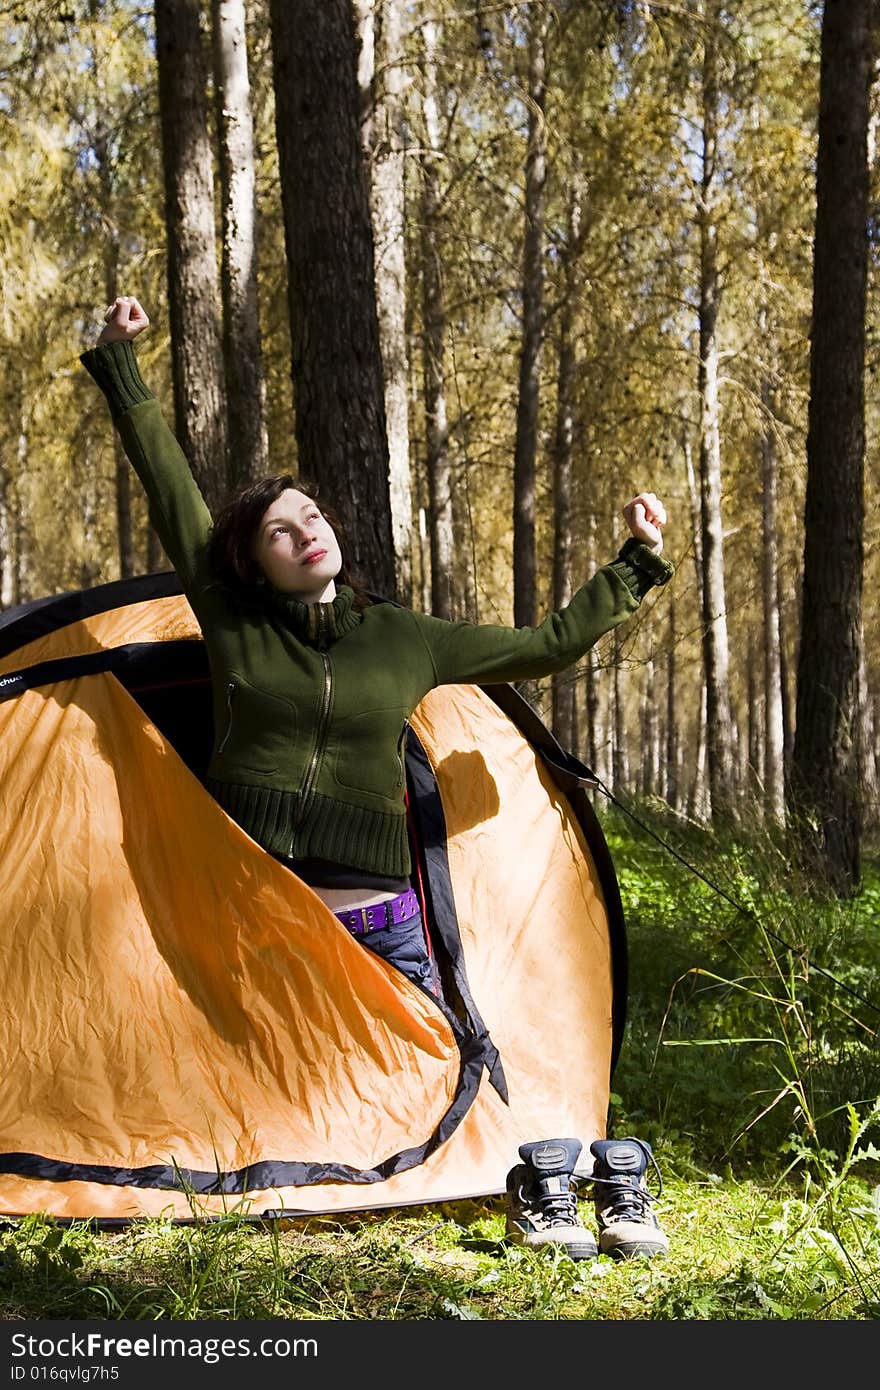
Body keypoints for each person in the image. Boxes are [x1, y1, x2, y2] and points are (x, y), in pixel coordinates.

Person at [81, 293, 674, 1261]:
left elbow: (546, 645)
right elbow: (168, 482)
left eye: (311, 515)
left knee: (441, 1053)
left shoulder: (404, 638)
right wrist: (121, 362)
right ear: (253, 561)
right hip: (258, 903)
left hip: (381, 913)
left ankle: (541, 1177)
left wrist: (633, 562)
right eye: (280, 528)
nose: (304, 530)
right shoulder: (233, 621)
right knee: (255, 1064)